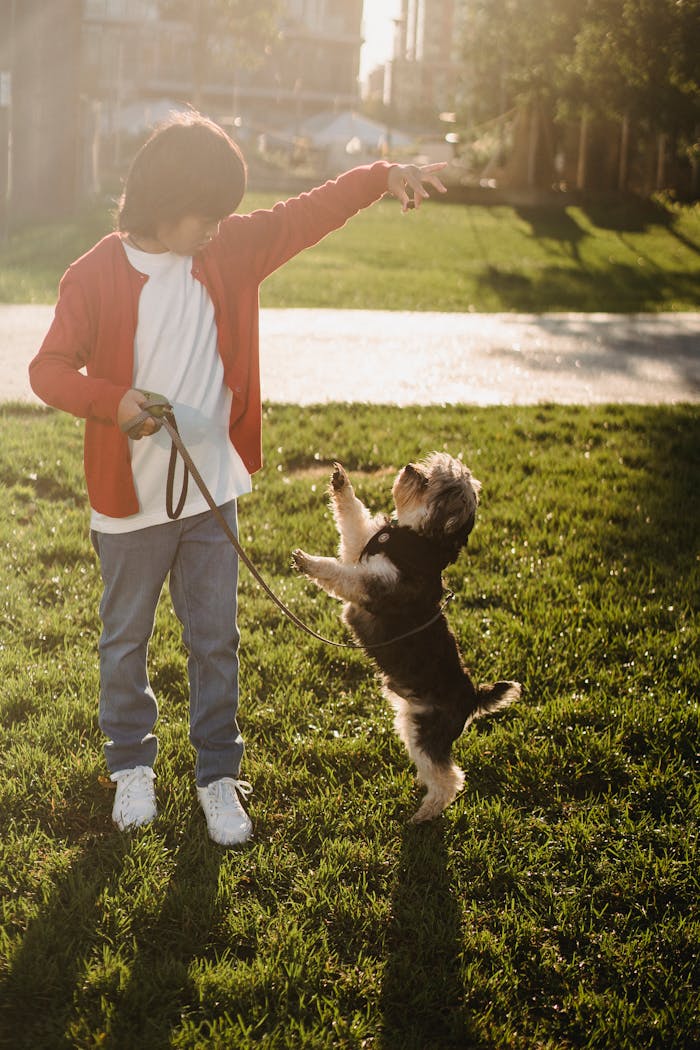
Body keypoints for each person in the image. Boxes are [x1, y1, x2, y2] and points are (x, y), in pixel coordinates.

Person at [29, 110, 447, 847]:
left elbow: (310, 211)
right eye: (206, 214)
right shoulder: (92, 275)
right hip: (128, 507)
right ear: (161, 202)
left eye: (226, 214)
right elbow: (48, 371)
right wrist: (114, 401)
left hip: (210, 493)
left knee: (215, 640)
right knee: (124, 642)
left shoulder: (230, 251)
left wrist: (382, 176)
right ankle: (131, 766)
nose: (218, 228)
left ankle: (218, 774)